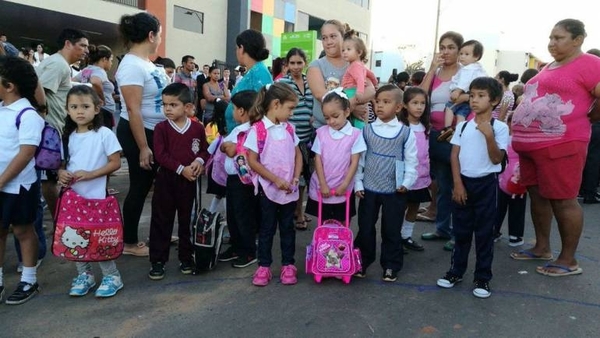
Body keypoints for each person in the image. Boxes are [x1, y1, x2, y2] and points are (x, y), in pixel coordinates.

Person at [510, 19, 600, 277]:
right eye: (550, 37)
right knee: (538, 197)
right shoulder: (549, 66)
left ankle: (568, 259)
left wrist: (593, 115)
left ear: (578, 39)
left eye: (558, 38)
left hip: (562, 144)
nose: (552, 43)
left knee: (563, 200)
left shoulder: (591, 64)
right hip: (532, 148)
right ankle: (542, 247)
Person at [436, 77, 509, 299]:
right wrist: (457, 184)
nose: (475, 100)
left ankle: (483, 278)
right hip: (464, 183)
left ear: (494, 100)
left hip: (487, 185)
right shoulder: (464, 125)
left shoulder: (500, 128)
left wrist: (488, 136)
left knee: (484, 233)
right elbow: (454, 155)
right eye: (473, 95)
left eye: (481, 96)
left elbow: (497, 159)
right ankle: (456, 271)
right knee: (461, 231)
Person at [57, 86, 124, 298]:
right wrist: (61, 173)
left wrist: (92, 174)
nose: (79, 111)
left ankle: (112, 276)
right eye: (74, 107)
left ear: (96, 109)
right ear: (67, 109)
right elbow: (61, 165)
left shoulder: (104, 134)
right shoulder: (67, 136)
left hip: (97, 198)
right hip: (73, 198)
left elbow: (115, 163)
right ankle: (84, 275)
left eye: (85, 106)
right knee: (74, 238)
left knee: (99, 238)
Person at [115, 12, 169, 257]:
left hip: (154, 131)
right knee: (140, 185)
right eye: (159, 33)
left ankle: (159, 233)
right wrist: (144, 147)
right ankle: (129, 242)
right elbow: (133, 109)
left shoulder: (147, 63)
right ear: (151, 35)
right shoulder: (130, 66)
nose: (160, 38)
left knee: (156, 186)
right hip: (139, 132)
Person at [354, 84, 418, 282]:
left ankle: (390, 265)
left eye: (386, 102)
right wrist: (358, 183)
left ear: (398, 108)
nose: (380, 106)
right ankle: (361, 262)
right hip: (369, 189)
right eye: (378, 102)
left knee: (391, 228)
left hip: (395, 190)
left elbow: (411, 161)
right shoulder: (367, 131)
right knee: (365, 227)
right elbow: (360, 160)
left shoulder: (406, 133)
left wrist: (406, 182)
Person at [148, 83, 209, 280]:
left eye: (173, 105)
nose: (167, 109)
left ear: (187, 107)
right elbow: (161, 155)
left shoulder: (197, 128)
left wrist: (199, 162)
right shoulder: (161, 128)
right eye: (165, 104)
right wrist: (182, 169)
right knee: (161, 219)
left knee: (188, 220)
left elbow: (204, 150)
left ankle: (186, 256)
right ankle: (158, 260)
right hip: (167, 179)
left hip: (190, 181)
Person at [243, 83, 302, 287]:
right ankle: (264, 266)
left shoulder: (289, 129)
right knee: (267, 228)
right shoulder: (258, 130)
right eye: (290, 108)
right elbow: (252, 160)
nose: (292, 113)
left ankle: (288, 265)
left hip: (289, 191)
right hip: (268, 191)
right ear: (276, 104)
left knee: (288, 228)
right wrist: (275, 180)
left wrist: (295, 177)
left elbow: (298, 154)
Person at [0, 56, 44, 305]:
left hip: (19, 186)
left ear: (9, 86)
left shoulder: (27, 114)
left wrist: (2, 180)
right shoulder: (2, 109)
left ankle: (29, 278)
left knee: (23, 230)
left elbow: (26, 153)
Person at [36, 28, 89, 221]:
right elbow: (38, 89)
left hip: (53, 129)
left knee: (50, 178)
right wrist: (42, 118)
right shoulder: (58, 64)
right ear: (68, 44)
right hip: (49, 131)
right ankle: (60, 220)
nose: (86, 50)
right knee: (50, 179)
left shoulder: (60, 65)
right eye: (82, 45)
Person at [419, 31, 464, 252]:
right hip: (435, 134)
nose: (445, 52)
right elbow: (420, 95)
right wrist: (430, 69)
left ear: (459, 50)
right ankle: (442, 228)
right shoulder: (436, 72)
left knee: (459, 184)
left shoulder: (466, 73)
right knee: (443, 184)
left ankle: (459, 232)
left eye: (451, 47)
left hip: (457, 136)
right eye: (442, 47)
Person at [305, 88, 366, 223]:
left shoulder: (355, 134)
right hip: (323, 185)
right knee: (324, 220)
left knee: (343, 220)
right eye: (327, 118)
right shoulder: (321, 133)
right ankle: (323, 244)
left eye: (335, 116)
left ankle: (343, 244)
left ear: (347, 112)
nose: (331, 121)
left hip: (343, 186)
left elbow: (355, 162)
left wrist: (345, 184)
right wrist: (322, 184)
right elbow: (318, 159)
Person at [307, 20, 375, 130]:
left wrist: (350, 105)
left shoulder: (355, 64)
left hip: (354, 131)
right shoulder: (316, 66)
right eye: (324, 38)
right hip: (325, 130)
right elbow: (321, 95)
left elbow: (370, 90)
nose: (328, 42)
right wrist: (350, 108)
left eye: (333, 36)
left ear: (343, 37)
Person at [219, 90, 259, 268]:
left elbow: (229, 149)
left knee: (244, 216)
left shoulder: (247, 129)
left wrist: (230, 146)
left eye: (233, 108)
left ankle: (248, 251)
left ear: (241, 110)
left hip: (244, 180)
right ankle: (236, 246)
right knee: (233, 215)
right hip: (233, 179)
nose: (232, 112)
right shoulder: (240, 129)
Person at [276, 48, 314, 230]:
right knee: (294, 176)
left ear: (305, 63)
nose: (296, 67)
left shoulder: (311, 81)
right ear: (287, 64)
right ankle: (295, 213)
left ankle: (298, 210)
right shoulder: (282, 83)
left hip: (308, 138)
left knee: (304, 178)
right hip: (290, 139)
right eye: (292, 63)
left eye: (299, 63)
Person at [398, 87, 431, 252]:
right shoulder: (401, 126)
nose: (419, 107)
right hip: (404, 175)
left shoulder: (425, 126)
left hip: (421, 174)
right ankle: (395, 237)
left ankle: (406, 236)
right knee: (400, 207)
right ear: (404, 105)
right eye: (415, 103)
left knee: (414, 206)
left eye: (422, 103)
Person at [225, 30, 273, 133]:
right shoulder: (253, 71)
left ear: (241, 48)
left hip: (248, 139)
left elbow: (264, 109)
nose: (236, 52)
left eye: (236, 48)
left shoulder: (260, 73)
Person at [438, 40, 487, 141]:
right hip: (470, 96)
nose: (462, 57)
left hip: (463, 93)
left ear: (476, 56)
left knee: (449, 107)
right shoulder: (479, 69)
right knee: (461, 114)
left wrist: (457, 91)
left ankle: (447, 128)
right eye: (461, 54)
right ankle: (459, 130)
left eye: (466, 54)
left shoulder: (468, 69)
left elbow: (464, 82)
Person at [494, 113, 527, 247]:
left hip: (501, 178)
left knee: (497, 207)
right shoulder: (524, 141)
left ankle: (494, 231)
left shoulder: (502, 139)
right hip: (518, 178)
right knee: (517, 208)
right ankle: (515, 235)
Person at [74, 45, 116, 129]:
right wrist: (102, 99)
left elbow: (72, 81)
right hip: (103, 112)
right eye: (111, 60)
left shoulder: (87, 70)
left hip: (94, 110)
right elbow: (95, 82)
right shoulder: (99, 71)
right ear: (104, 59)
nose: (111, 63)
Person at [340, 32, 377, 128]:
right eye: (343, 50)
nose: (344, 52)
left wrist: (360, 92)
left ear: (359, 52)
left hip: (351, 92)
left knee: (356, 120)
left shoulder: (354, 66)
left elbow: (360, 79)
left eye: (348, 49)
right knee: (361, 116)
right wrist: (375, 83)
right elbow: (371, 75)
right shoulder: (361, 65)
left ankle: (359, 135)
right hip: (355, 91)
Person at [580, 48, 600, 204]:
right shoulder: (595, 78)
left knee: (584, 156)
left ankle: (582, 189)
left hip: (583, 122)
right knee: (593, 157)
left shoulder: (583, 74)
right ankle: (589, 192)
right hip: (594, 122)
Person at [205, 100, 228, 215]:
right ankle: (228, 220)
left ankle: (210, 213)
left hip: (216, 170)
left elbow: (209, 150)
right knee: (224, 195)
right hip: (223, 171)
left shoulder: (218, 135)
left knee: (219, 194)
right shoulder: (227, 138)